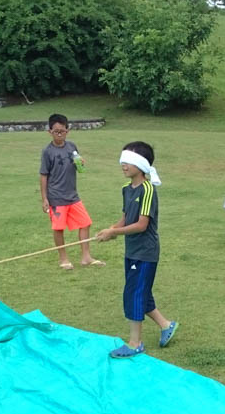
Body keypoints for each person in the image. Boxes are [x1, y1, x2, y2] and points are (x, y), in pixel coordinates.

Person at [95, 141, 177, 359]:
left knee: (134, 293)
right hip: (132, 251)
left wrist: (114, 233)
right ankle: (166, 325)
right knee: (141, 292)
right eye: (122, 161)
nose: (123, 165)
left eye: (128, 161)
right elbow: (126, 217)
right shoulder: (126, 190)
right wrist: (111, 229)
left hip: (145, 252)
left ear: (141, 165)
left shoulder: (148, 190)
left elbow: (142, 224)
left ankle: (135, 343)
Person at [39, 113, 103, 270]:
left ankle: (86, 257)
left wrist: (81, 163)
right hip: (56, 198)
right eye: (56, 131)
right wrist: (44, 198)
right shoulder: (47, 151)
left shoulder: (72, 147)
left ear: (68, 131)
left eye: (62, 131)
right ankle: (63, 259)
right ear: (50, 132)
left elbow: (79, 168)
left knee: (85, 223)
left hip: (73, 196)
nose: (59, 134)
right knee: (58, 228)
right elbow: (43, 175)